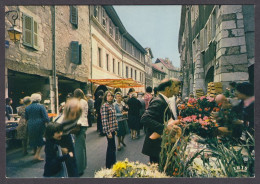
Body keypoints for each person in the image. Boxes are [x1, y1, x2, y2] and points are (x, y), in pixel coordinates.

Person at [141, 78, 182, 164]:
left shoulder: (162, 100)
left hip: (158, 144)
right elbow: (145, 118)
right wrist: (165, 128)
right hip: (156, 146)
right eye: (175, 87)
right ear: (167, 89)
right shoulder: (159, 101)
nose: (177, 89)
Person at [58, 98, 82, 177]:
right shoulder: (60, 121)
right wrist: (59, 148)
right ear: (68, 109)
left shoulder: (78, 115)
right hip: (59, 140)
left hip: (67, 138)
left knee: (72, 161)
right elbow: (48, 137)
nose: (75, 113)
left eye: (77, 109)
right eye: (73, 110)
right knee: (65, 164)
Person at [25, 93, 50, 161]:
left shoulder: (27, 107)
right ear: (39, 99)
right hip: (39, 124)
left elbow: (26, 118)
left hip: (30, 124)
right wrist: (49, 123)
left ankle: (34, 152)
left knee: (33, 139)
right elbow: (46, 118)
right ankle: (37, 155)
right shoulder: (41, 106)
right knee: (40, 139)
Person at [101, 91, 118, 168]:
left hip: (113, 129)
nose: (110, 97)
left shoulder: (111, 105)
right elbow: (104, 120)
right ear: (105, 97)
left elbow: (114, 118)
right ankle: (109, 165)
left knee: (112, 147)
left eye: (111, 95)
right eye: (108, 95)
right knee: (111, 148)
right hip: (109, 130)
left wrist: (115, 129)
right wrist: (108, 132)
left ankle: (112, 163)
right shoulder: (105, 106)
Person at [73, 88, 88, 176]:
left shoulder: (79, 102)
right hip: (83, 125)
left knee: (78, 148)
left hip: (79, 125)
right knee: (81, 147)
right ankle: (83, 165)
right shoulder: (84, 101)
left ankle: (79, 169)